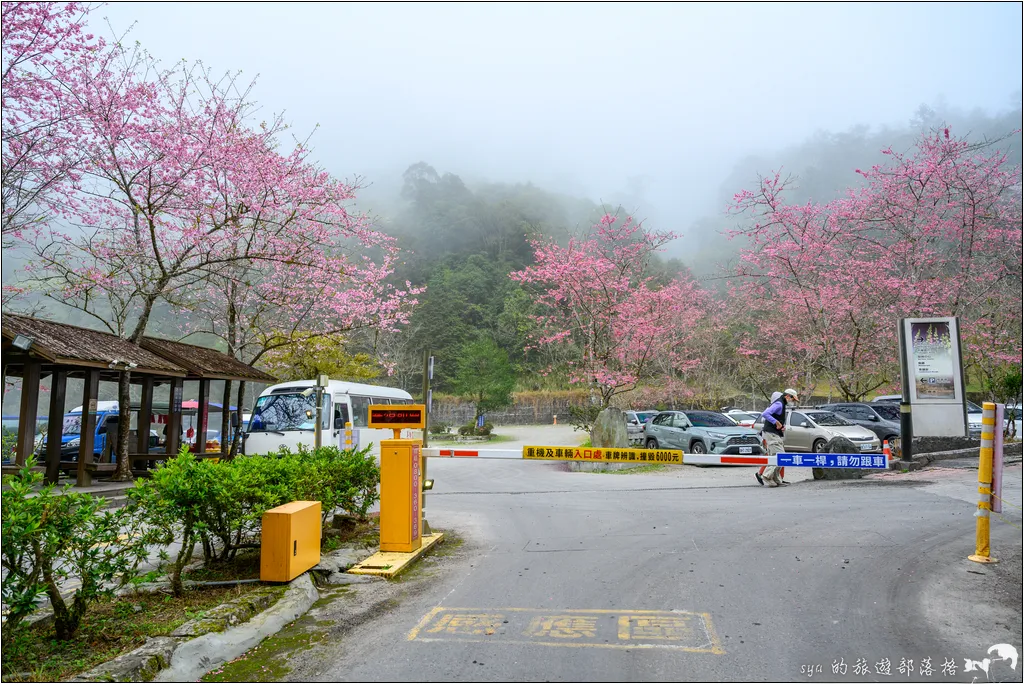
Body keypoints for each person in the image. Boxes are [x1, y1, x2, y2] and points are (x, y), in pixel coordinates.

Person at [756, 388, 799, 487]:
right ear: (788, 396)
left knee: (777, 456)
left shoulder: (781, 404)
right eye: (793, 399)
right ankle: (767, 476)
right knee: (780, 456)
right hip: (771, 433)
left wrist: (780, 426)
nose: (793, 402)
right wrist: (776, 422)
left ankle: (776, 478)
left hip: (774, 433)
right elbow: (765, 414)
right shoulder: (779, 404)